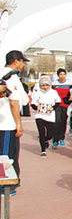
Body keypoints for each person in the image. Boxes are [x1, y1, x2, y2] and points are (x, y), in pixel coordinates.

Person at [0, 51, 30, 195]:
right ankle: (4, 187)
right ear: (16, 61)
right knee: (6, 156)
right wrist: (18, 123)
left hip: (4, 122)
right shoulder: (10, 77)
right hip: (6, 124)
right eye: (22, 61)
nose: (23, 65)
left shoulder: (3, 74)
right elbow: (14, 103)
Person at [31, 75, 61, 157]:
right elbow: (33, 103)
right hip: (40, 115)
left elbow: (58, 102)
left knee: (50, 134)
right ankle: (43, 150)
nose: (45, 87)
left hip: (50, 116)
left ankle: (45, 140)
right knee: (41, 132)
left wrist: (53, 108)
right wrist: (36, 107)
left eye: (47, 85)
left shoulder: (53, 92)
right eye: (43, 85)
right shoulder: (37, 93)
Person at [51, 68, 71, 147]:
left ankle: (61, 138)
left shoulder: (69, 83)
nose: (62, 76)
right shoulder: (54, 84)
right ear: (58, 75)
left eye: (63, 74)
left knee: (63, 122)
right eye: (60, 74)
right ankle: (55, 140)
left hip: (65, 105)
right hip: (57, 105)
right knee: (57, 122)